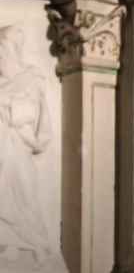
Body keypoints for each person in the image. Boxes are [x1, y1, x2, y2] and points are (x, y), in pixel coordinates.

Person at [0, 26, 53, 266]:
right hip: (2, 150)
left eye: (1, 52)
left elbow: (29, 112)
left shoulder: (30, 79)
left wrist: (4, 101)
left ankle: (38, 244)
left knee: (24, 196)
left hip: (18, 150)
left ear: (12, 51)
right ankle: (9, 244)